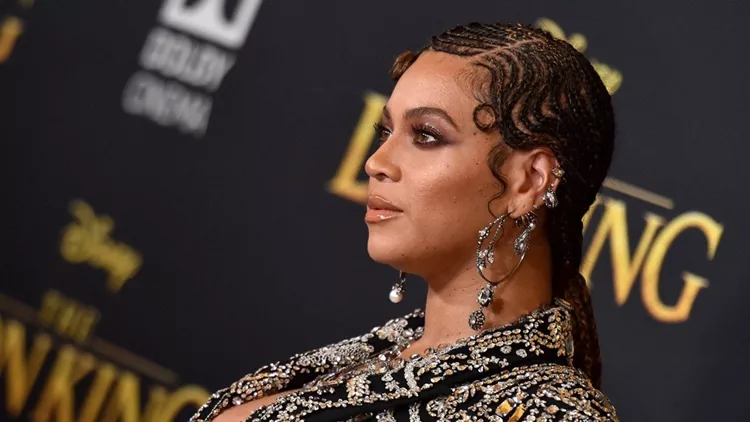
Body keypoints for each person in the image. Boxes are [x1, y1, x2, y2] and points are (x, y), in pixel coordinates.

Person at [190, 22, 618, 422]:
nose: (376, 162)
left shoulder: (551, 414)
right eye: (385, 131)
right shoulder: (387, 350)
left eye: (426, 136)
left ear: (528, 181)